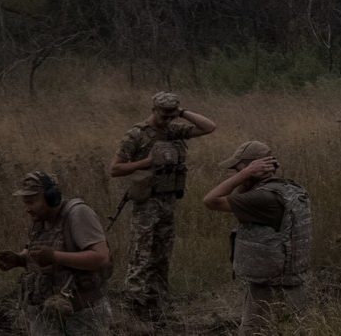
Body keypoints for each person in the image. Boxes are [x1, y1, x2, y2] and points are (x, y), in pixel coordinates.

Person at [107, 92, 217, 321]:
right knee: (141, 255)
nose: (167, 120)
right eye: (163, 115)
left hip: (168, 201)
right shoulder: (137, 134)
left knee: (162, 256)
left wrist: (182, 113)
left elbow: (209, 127)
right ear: (153, 110)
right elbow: (115, 169)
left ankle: (159, 304)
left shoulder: (173, 130)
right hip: (147, 202)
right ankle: (135, 306)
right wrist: (145, 162)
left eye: (171, 115)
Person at [203, 141, 312, 336]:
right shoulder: (288, 189)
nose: (234, 174)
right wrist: (247, 176)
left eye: (237, 169)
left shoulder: (262, 198)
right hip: (292, 282)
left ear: (251, 167)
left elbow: (210, 201)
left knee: (254, 331)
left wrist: (244, 174)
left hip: (268, 289)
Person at [0, 171, 113, 335]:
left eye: (31, 202)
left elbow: (100, 257)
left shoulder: (78, 214)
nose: (27, 209)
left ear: (52, 197)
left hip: (81, 313)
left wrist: (54, 256)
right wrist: (19, 260)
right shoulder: (39, 220)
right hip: (45, 314)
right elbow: (33, 252)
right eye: (25, 203)